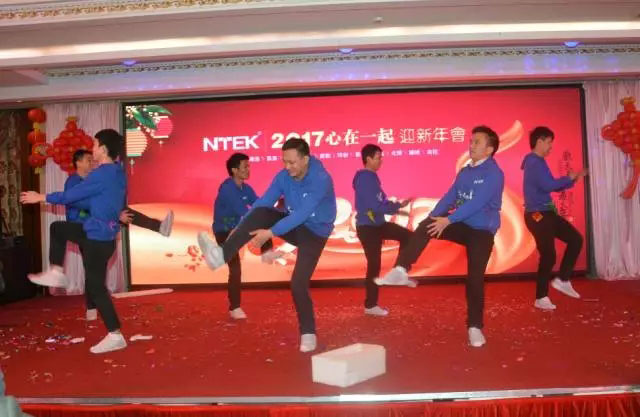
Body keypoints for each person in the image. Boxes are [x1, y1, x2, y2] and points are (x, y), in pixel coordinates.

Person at [197, 138, 336, 352]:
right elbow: (263, 204)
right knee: (261, 212)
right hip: (294, 227)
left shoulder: (321, 178)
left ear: (306, 159)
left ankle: (308, 332)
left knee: (298, 283)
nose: (287, 167)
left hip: (315, 234)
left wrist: (269, 233)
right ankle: (220, 256)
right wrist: (242, 229)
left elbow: (301, 214)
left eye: (292, 162)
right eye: (284, 162)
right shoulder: (283, 176)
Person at [376, 126, 504, 348]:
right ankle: (401, 270)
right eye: (471, 141)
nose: (471, 145)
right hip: (463, 224)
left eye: (477, 142)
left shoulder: (494, 173)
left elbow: (477, 203)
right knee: (427, 225)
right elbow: (450, 196)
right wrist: (434, 216)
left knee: (475, 278)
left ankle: (475, 326)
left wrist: (449, 220)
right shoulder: (466, 171)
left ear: (489, 149)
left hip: (482, 231)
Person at [20, 129, 128, 354]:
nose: (92, 149)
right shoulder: (117, 172)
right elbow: (90, 201)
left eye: (95, 145)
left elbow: (71, 196)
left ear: (103, 149)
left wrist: (41, 197)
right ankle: (56, 271)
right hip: (99, 234)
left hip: (98, 238)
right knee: (58, 228)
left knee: (96, 288)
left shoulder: (101, 174)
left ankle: (115, 334)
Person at [64, 150, 174, 322]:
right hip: (84, 228)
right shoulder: (73, 182)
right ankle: (91, 307)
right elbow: (76, 206)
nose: (92, 163)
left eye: (92, 159)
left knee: (97, 268)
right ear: (78, 162)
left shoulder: (94, 178)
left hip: (99, 227)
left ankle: (159, 227)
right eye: (88, 160)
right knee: (92, 269)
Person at [522, 126, 587, 310]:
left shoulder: (538, 162)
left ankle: (563, 279)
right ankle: (541, 297)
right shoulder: (534, 162)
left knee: (575, 239)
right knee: (549, 255)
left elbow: (550, 185)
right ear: (539, 141)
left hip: (546, 214)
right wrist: (569, 178)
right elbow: (548, 185)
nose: (551, 146)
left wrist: (572, 179)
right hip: (537, 215)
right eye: (549, 142)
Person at [212, 152, 281, 320]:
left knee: (264, 221)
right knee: (235, 268)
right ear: (234, 170)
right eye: (245, 166)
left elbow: (259, 204)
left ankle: (267, 253)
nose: (248, 169)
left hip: (238, 229)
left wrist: (277, 207)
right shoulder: (228, 188)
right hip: (224, 232)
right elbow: (245, 212)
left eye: (249, 166)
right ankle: (234, 307)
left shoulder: (246, 188)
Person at [353, 144, 412, 316]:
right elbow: (375, 205)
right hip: (367, 228)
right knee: (374, 266)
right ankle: (370, 305)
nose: (381, 160)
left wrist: (398, 206)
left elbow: (381, 202)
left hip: (377, 225)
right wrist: (394, 208)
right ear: (368, 159)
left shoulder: (371, 178)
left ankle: (399, 270)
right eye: (378, 157)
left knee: (408, 236)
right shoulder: (365, 178)